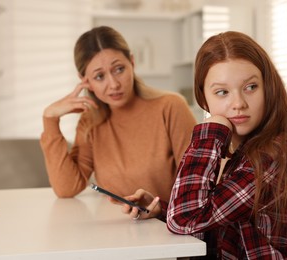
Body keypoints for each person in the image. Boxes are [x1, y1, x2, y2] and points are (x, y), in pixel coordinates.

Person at [121, 31, 287, 259]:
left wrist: (212, 130)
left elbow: (185, 219)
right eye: (222, 92)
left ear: (268, 88)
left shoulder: (278, 155)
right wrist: (163, 211)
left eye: (251, 87)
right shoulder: (247, 151)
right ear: (204, 99)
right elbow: (216, 221)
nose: (238, 103)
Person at [40, 26, 197, 204]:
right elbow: (67, 188)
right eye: (99, 76)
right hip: (117, 228)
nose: (114, 84)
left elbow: (197, 184)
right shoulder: (90, 122)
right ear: (86, 81)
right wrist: (50, 119)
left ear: (132, 62)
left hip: (170, 227)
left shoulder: (171, 107)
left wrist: (159, 210)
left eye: (119, 69)